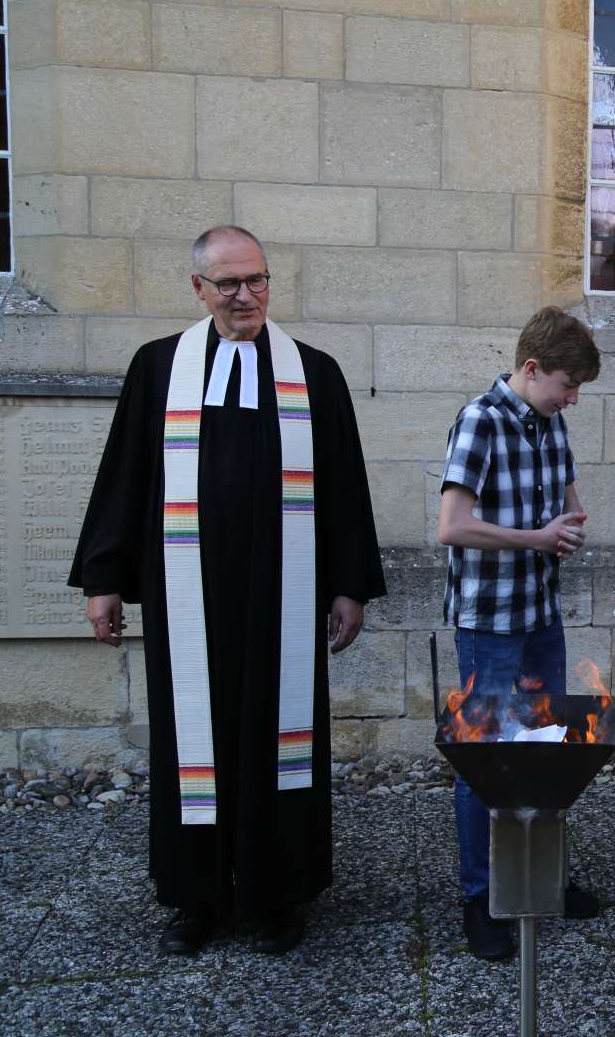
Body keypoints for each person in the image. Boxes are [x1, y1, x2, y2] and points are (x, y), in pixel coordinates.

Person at [69, 225, 386, 957]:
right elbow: (124, 478)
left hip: (285, 597)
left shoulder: (315, 373)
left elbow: (343, 487)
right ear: (198, 289)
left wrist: (349, 587)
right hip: (190, 600)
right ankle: (197, 898)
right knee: (193, 744)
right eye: (229, 284)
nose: (246, 295)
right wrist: (104, 579)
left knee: (281, 742)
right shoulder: (157, 370)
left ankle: (278, 897)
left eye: (258, 280)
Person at [436, 305, 603, 961]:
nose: (573, 398)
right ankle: (480, 897)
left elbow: (566, 498)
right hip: (490, 624)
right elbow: (452, 525)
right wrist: (537, 538)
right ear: (531, 368)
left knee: (544, 752)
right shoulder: (479, 420)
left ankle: (541, 880)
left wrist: (570, 521)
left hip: (540, 613)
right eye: (567, 383)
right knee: (486, 762)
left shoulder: (550, 419)